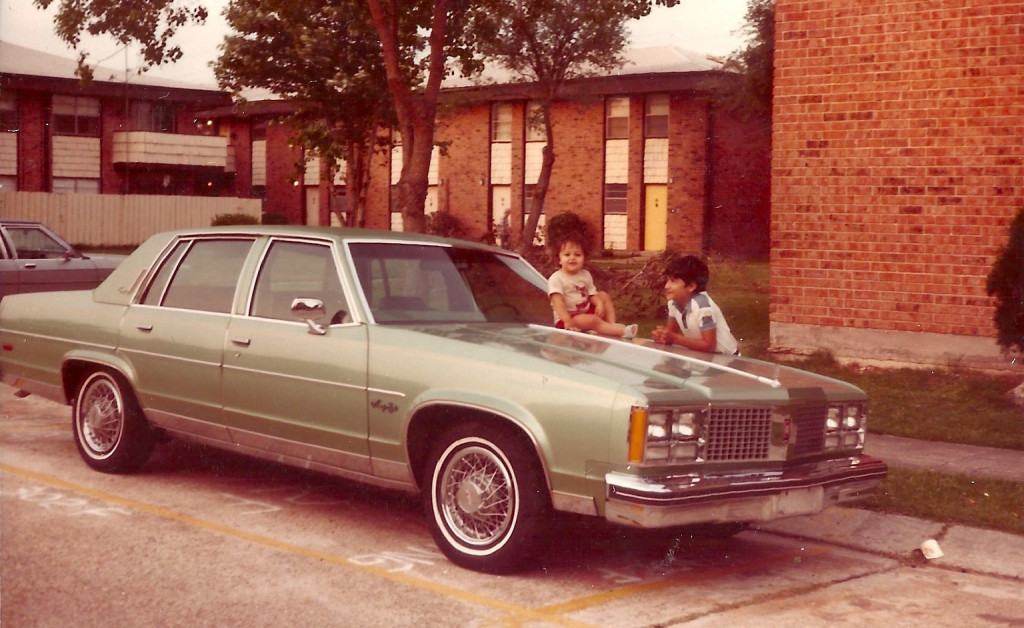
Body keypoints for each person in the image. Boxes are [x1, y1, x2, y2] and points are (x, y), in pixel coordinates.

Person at [547, 231, 637, 339]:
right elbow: (558, 303)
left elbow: (591, 294)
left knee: (603, 295)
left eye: (578, 255)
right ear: (559, 259)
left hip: (585, 311)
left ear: (584, 258)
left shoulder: (585, 275)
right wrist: (568, 321)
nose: (572, 258)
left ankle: (611, 325)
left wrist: (599, 303)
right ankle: (621, 331)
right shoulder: (556, 278)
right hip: (568, 319)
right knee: (592, 320)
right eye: (567, 255)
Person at [651, 255, 739, 355]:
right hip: (705, 356)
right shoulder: (674, 303)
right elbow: (671, 335)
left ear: (691, 286)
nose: (666, 286)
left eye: (673, 281)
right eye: (668, 280)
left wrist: (674, 338)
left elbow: (709, 345)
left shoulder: (703, 307)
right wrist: (663, 336)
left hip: (728, 359)